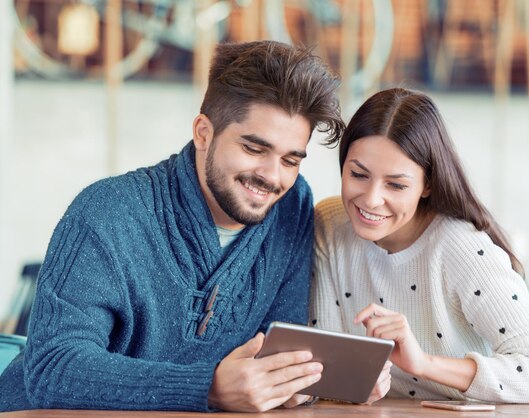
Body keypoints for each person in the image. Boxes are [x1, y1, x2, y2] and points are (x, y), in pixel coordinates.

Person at [0, 40, 345, 413]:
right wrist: (208, 387)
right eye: (254, 149)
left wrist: (292, 384)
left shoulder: (292, 205)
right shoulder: (107, 212)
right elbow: (53, 368)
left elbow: (277, 348)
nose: (272, 177)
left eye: (291, 160)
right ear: (203, 133)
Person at [311, 88, 529, 404]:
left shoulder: (460, 246)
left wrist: (423, 363)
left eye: (396, 184)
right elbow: (325, 366)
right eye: (358, 174)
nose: (371, 199)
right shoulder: (330, 224)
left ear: (427, 184)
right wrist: (351, 384)